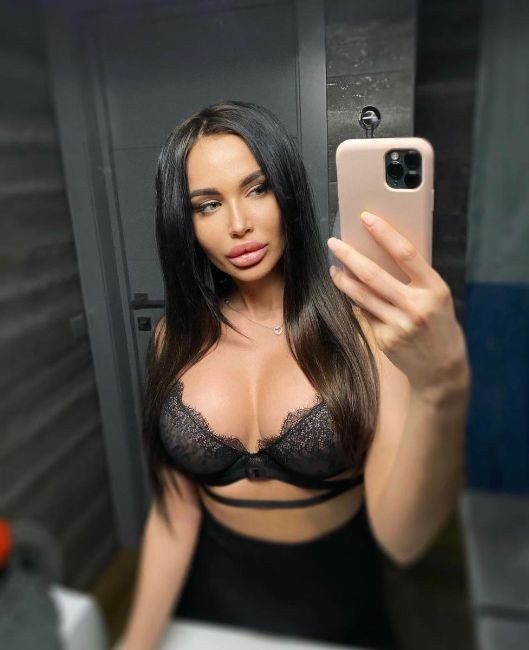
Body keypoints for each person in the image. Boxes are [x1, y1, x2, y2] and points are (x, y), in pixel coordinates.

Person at [121, 101, 470, 650]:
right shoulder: (173, 338)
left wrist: (442, 387)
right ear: (183, 223)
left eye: (257, 189)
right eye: (208, 204)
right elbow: (175, 515)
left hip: (340, 609)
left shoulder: (364, 331)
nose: (238, 224)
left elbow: (403, 539)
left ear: (288, 193)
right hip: (212, 604)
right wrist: (136, 642)